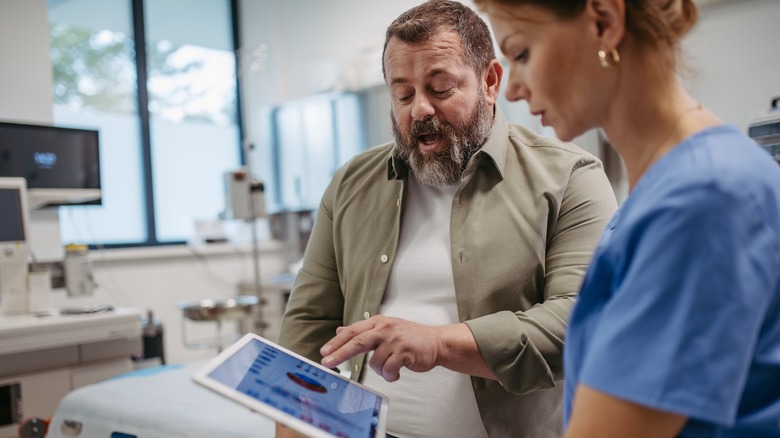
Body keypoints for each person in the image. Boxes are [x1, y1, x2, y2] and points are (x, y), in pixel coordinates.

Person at [276, 1, 617, 436]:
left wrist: (438, 342)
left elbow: (578, 323)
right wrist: (289, 422)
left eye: (439, 88)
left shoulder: (570, 177)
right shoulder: (351, 184)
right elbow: (308, 322)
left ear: (490, 81)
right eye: (402, 93)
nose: (419, 109)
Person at [473, 0, 780, 436]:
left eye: (521, 54)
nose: (513, 89)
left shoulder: (702, 200)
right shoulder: (664, 189)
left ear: (604, 22)